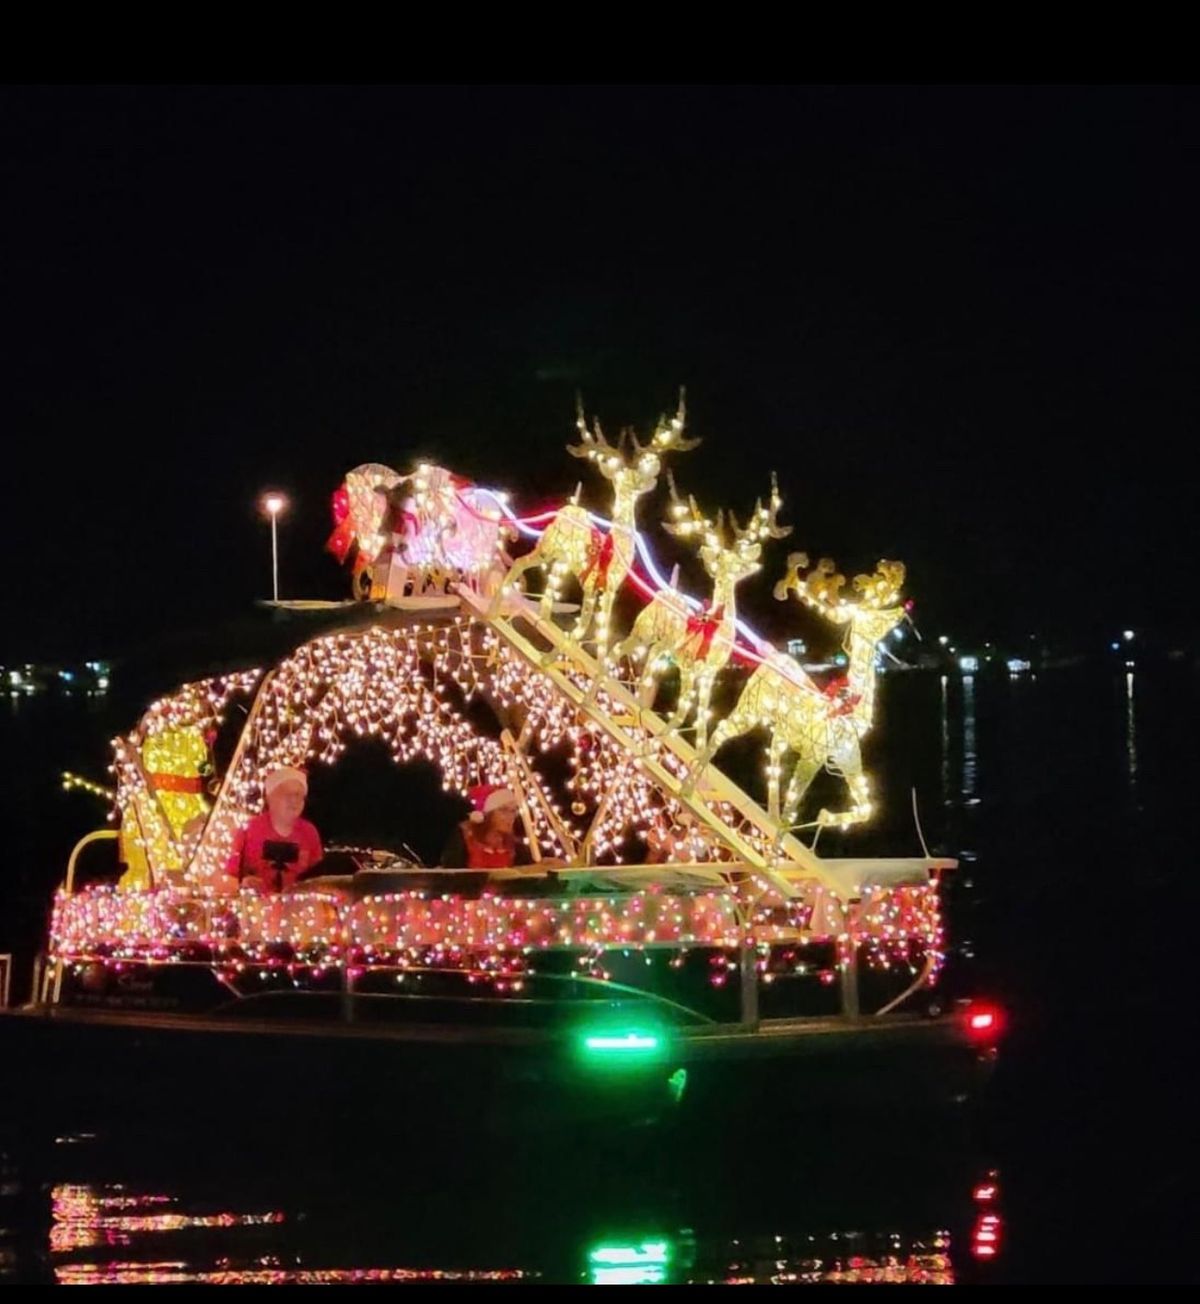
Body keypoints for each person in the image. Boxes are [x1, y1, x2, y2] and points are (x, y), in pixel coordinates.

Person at [225, 766, 324, 893]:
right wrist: (245, 882)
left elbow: (318, 878)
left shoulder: (309, 832)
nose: (294, 800)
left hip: (296, 906)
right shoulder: (248, 830)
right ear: (270, 798)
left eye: (299, 795)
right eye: (287, 794)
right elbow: (229, 876)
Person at [439, 784, 528, 870]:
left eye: (513, 811)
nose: (510, 817)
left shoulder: (514, 847)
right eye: (503, 810)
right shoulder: (465, 838)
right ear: (488, 813)